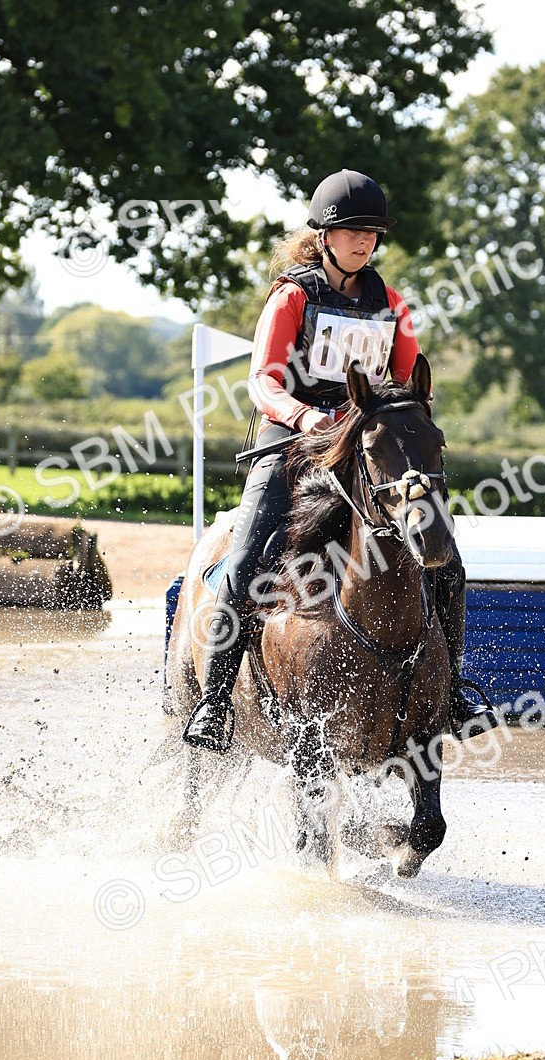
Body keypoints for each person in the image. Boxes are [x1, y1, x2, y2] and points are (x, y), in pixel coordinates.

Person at [183, 168, 494, 753]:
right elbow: (263, 381)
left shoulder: (391, 303)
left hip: (360, 448)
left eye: (372, 233)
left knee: (444, 557)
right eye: (352, 231)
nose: (364, 242)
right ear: (325, 235)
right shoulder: (293, 296)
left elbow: (403, 383)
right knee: (247, 556)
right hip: (292, 445)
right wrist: (306, 418)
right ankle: (214, 702)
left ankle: (452, 691)